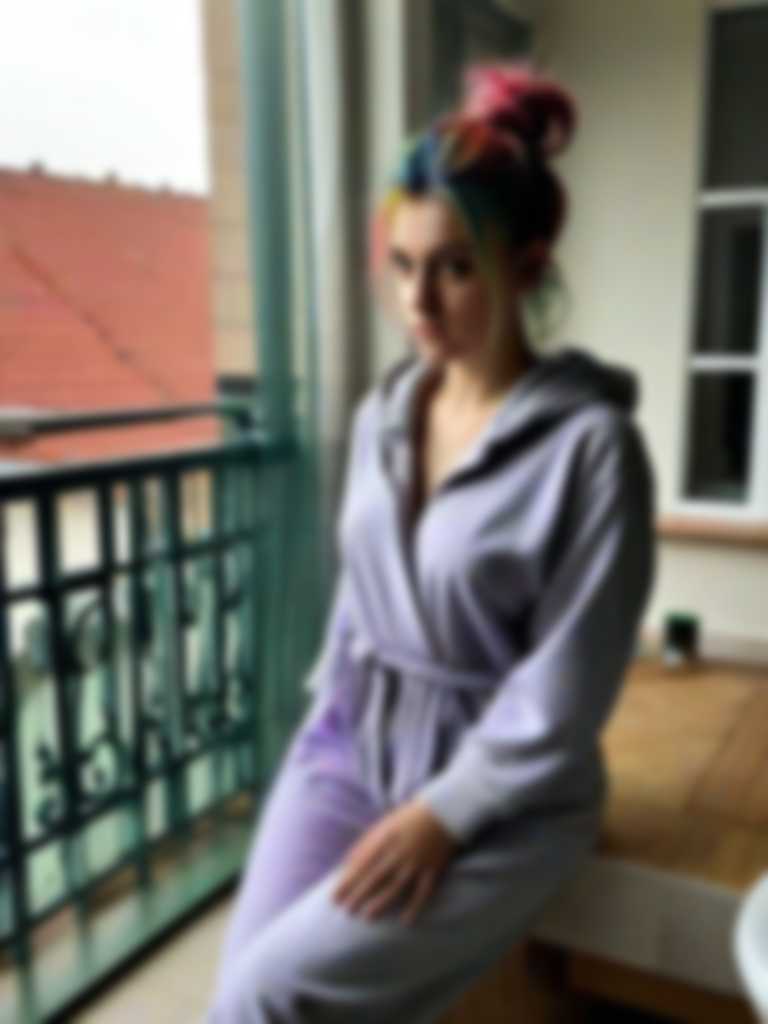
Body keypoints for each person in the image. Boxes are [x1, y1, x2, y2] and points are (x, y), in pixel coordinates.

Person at [205, 59, 657, 1023]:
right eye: (404, 267)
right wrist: (326, 719)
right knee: (235, 993)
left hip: (504, 793)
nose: (418, 302)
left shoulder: (593, 452)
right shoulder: (382, 415)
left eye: (453, 268)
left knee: (274, 993)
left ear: (526, 266)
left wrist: (445, 815)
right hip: (351, 746)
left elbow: (567, 690)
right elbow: (358, 598)